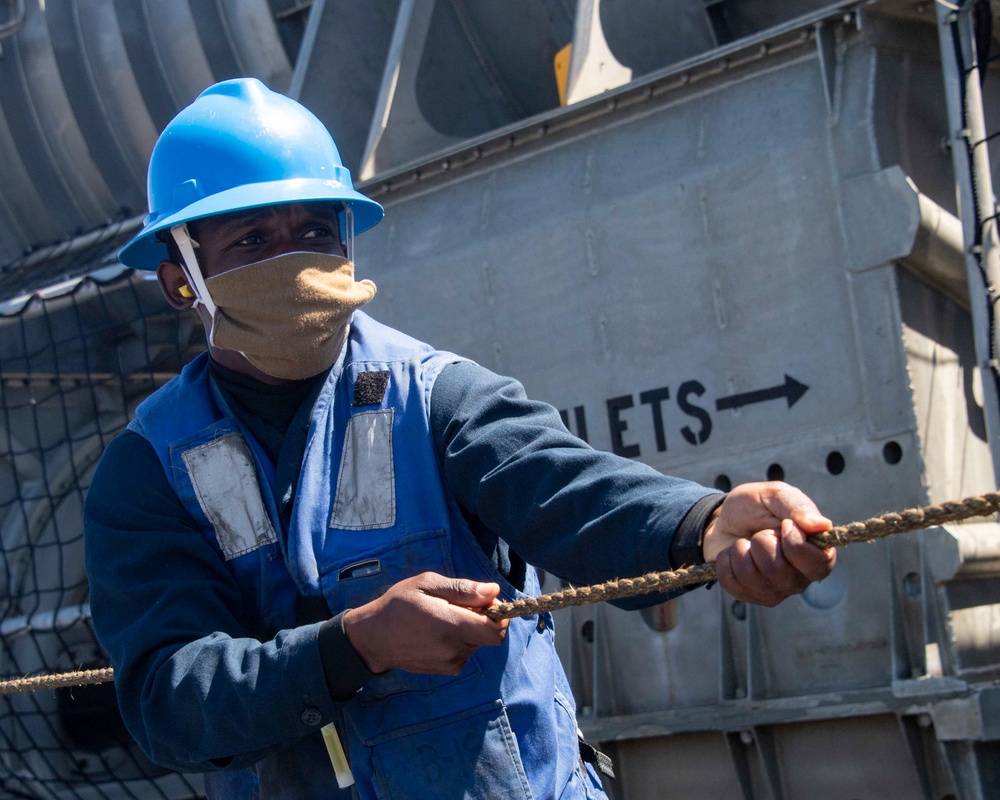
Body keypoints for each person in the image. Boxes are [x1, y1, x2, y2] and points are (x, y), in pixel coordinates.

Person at [84, 78, 835, 800]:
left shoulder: (435, 396)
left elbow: (568, 488)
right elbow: (169, 699)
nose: (294, 258)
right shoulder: (147, 473)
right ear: (182, 280)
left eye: (315, 230)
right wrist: (355, 647)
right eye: (252, 239)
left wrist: (702, 524)